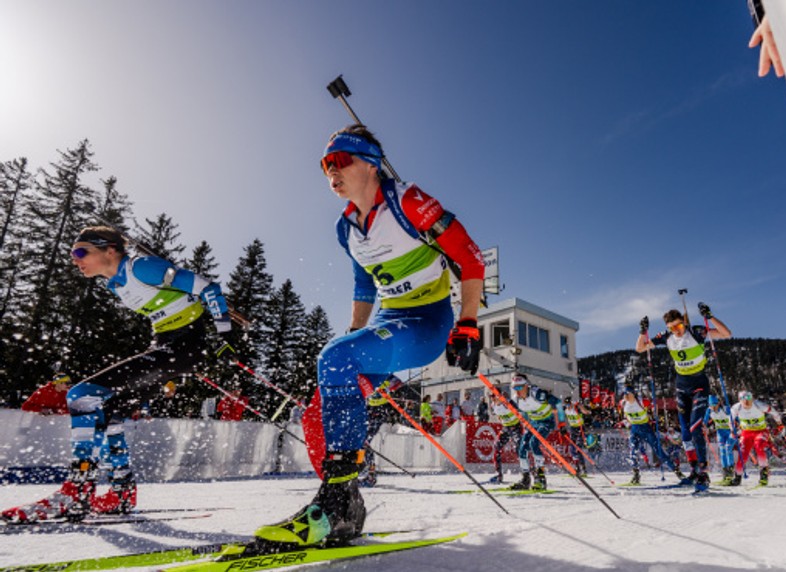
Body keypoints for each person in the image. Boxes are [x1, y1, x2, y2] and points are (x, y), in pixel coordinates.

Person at [253, 124, 485, 550]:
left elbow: (470, 258)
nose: (331, 171)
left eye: (340, 160)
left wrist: (468, 323)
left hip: (425, 324)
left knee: (335, 359)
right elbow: (364, 284)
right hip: (387, 322)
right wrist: (353, 337)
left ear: (372, 164)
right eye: (325, 165)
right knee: (316, 415)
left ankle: (334, 507)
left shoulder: (408, 201)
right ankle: (343, 505)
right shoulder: (345, 228)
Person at [2, 226, 230, 524]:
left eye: (81, 252)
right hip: (169, 347)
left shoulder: (140, 267)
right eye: (72, 254)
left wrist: (226, 336)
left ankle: (77, 490)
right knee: (111, 410)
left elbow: (208, 288)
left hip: (183, 347)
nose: (75, 259)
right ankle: (121, 491)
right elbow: (167, 313)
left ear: (110, 250)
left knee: (81, 395)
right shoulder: (116, 284)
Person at [635, 303, 732, 489]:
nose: (677, 331)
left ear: (684, 323)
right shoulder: (667, 337)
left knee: (695, 427)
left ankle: (703, 472)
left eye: (679, 326)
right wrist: (642, 331)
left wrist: (710, 317)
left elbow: (726, 333)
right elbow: (640, 348)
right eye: (672, 328)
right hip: (681, 386)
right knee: (686, 433)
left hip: (699, 384)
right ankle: (694, 469)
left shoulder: (696, 332)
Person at [507, 374, 565, 490]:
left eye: (519, 387)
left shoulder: (537, 394)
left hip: (546, 422)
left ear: (526, 386)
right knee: (522, 448)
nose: (517, 391)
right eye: (514, 388)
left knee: (534, 443)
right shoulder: (516, 399)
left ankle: (540, 478)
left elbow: (558, 403)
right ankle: (525, 479)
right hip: (533, 423)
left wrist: (562, 423)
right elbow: (520, 411)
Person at [621, 390, 683, 485]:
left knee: (659, 451)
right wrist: (626, 423)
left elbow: (654, 406)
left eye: (628, 394)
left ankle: (677, 471)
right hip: (634, 428)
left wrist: (654, 413)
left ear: (633, 394)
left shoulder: (642, 402)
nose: (626, 396)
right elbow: (624, 416)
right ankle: (636, 475)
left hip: (646, 428)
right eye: (624, 394)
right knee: (633, 452)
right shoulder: (623, 403)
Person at [728, 390, 783, 486]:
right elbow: (730, 420)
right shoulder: (736, 408)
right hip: (746, 432)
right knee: (743, 453)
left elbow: (774, 412)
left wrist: (779, 423)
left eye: (748, 398)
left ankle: (764, 474)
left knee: (759, 446)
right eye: (743, 399)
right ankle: (737, 476)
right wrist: (732, 430)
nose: (746, 401)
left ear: (752, 398)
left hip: (760, 431)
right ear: (739, 400)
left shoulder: (759, 405)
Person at [489, 392, 523, 484]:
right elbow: (499, 415)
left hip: (516, 427)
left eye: (494, 396)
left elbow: (519, 411)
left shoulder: (508, 403)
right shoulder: (493, 405)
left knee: (519, 449)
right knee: (496, 447)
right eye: (491, 397)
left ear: (499, 396)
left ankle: (528, 473)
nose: (492, 399)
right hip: (506, 428)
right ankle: (499, 475)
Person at [704, 394, 738, 485]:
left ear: (718, 403)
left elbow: (737, 417)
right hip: (720, 433)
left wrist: (739, 426)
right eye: (711, 405)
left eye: (715, 405)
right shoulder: (709, 410)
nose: (713, 407)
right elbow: (705, 421)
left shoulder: (725, 409)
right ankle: (725, 474)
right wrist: (704, 427)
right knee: (722, 451)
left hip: (731, 432)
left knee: (728, 449)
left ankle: (731, 472)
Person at [562, 397, 588, 477]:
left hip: (580, 428)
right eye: (566, 404)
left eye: (569, 404)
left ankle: (583, 469)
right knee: (572, 449)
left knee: (578, 449)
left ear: (571, 403)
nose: (568, 406)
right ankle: (577, 468)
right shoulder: (565, 409)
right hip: (573, 429)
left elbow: (586, 412)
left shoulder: (576, 408)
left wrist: (580, 406)